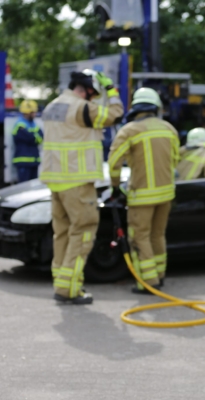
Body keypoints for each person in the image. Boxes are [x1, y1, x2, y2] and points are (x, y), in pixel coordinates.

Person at [41, 69, 123, 304]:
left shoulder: (52, 106)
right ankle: (69, 289)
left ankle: (61, 283)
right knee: (84, 230)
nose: (93, 98)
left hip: (56, 181)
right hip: (77, 180)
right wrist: (111, 90)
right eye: (93, 94)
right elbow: (115, 114)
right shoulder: (82, 108)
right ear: (87, 89)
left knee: (62, 233)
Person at [108, 88, 179, 293]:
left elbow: (114, 163)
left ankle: (149, 282)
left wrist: (115, 186)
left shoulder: (129, 131)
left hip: (142, 196)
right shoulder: (169, 129)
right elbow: (175, 159)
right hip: (166, 194)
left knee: (139, 237)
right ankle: (160, 275)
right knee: (158, 235)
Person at [12, 100, 43, 182]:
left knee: (33, 188)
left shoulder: (34, 124)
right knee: (23, 187)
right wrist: (35, 137)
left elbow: (41, 137)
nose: (35, 114)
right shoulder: (20, 125)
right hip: (23, 161)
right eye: (33, 112)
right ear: (28, 112)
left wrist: (35, 137)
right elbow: (31, 139)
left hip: (34, 161)